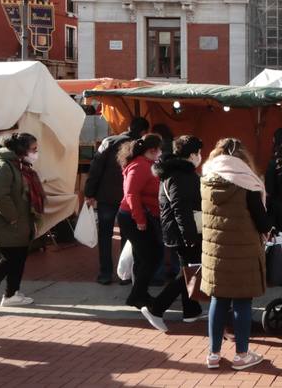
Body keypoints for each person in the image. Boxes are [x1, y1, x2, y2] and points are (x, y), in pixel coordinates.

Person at [201, 137, 270, 370]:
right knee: (242, 300)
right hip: (243, 250)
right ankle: (241, 354)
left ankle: (213, 353)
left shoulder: (206, 178)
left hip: (215, 250)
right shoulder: (246, 182)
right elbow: (261, 219)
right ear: (242, 158)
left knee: (218, 300)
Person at [140, 135, 205, 331]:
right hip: (184, 231)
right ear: (192, 154)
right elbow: (180, 207)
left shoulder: (172, 171)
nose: (200, 156)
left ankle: (191, 310)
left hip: (177, 230)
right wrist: (190, 235)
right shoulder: (181, 175)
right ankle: (156, 307)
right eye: (199, 153)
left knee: (189, 268)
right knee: (190, 271)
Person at [0, 133, 42, 311]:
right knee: (10, 258)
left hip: (19, 221)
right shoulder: (3, 166)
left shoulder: (18, 165)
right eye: (33, 149)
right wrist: (12, 216)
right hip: (8, 222)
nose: (36, 152)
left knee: (18, 258)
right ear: (21, 149)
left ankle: (12, 293)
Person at [83, 116, 149, 285]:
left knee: (105, 235)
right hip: (129, 199)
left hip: (106, 197)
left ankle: (105, 273)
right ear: (144, 132)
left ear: (128, 125)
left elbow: (95, 168)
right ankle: (125, 274)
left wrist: (90, 192)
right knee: (128, 236)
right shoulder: (141, 147)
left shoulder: (109, 141)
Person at [117, 133, 165, 310]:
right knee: (151, 257)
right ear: (152, 150)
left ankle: (140, 294)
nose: (161, 152)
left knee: (143, 257)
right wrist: (140, 219)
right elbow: (131, 194)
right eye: (159, 149)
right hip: (133, 217)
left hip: (137, 216)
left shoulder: (146, 164)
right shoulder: (140, 166)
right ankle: (137, 295)